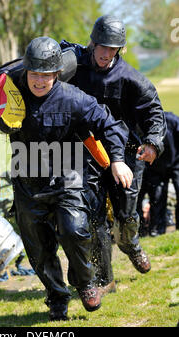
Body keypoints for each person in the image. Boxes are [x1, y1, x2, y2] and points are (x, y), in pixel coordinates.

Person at [0, 36, 133, 321]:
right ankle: (57, 297)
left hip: (67, 176)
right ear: (26, 71)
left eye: (46, 76)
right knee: (39, 248)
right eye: (34, 74)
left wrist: (117, 159)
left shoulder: (75, 98)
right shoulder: (10, 90)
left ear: (57, 74)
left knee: (75, 231)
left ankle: (85, 283)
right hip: (27, 178)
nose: (40, 81)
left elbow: (111, 125)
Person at [60, 15, 166, 295]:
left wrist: (153, 142)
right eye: (102, 46)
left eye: (113, 48)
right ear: (92, 43)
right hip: (84, 151)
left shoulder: (131, 78)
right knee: (92, 216)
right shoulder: (74, 65)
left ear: (120, 50)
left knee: (126, 215)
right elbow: (40, 77)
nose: (106, 54)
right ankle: (103, 278)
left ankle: (131, 244)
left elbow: (154, 112)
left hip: (127, 154)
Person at [137, 111, 179, 236]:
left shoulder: (172, 120)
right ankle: (156, 230)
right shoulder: (141, 124)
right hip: (155, 166)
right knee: (158, 196)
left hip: (176, 161)